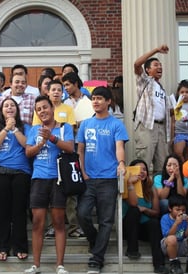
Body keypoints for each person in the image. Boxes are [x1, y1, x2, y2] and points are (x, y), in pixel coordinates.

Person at [76, 86, 129, 274]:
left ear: (108, 102)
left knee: (106, 220)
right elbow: (80, 150)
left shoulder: (116, 124)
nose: (96, 101)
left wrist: (121, 163)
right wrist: (82, 171)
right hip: (89, 178)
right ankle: (95, 240)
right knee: (82, 214)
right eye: (94, 98)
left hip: (109, 179)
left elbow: (119, 146)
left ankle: (97, 259)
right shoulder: (85, 124)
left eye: (100, 98)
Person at [24, 95, 74, 274]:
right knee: (38, 222)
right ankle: (35, 265)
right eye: (39, 109)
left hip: (59, 178)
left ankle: (60, 265)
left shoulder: (64, 128)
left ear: (52, 108)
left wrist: (51, 138)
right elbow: (28, 152)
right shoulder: (34, 129)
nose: (42, 111)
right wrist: (41, 143)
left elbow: (70, 148)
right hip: (39, 178)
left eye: (45, 107)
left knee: (59, 222)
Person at [0, 97, 31, 262]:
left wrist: (14, 130)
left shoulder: (25, 127)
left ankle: (20, 247)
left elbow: (27, 145)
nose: (9, 108)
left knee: (19, 211)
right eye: (6, 106)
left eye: (12, 105)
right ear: (1, 110)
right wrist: (6, 129)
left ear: (17, 110)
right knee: (3, 211)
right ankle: (3, 247)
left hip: (21, 172)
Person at [122, 159, 167, 274]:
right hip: (129, 228)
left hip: (144, 229)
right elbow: (133, 204)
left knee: (154, 222)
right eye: (138, 169)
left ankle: (159, 264)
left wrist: (145, 209)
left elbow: (156, 212)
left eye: (144, 169)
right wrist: (130, 184)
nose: (142, 172)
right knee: (134, 210)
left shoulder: (151, 188)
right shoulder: (125, 186)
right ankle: (132, 250)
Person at [133, 44, 171, 174]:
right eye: (156, 65)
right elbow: (137, 64)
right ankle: (140, 194)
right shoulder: (145, 81)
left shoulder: (162, 88)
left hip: (161, 128)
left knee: (162, 166)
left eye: (160, 65)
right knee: (143, 164)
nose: (159, 67)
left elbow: (166, 111)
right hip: (147, 126)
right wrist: (156, 50)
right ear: (148, 70)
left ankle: (159, 193)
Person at [160, 195, 188, 274]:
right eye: (177, 210)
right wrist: (176, 223)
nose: (181, 212)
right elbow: (167, 235)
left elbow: (187, 235)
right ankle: (174, 263)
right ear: (170, 209)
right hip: (169, 246)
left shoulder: (185, 218)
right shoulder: (165, 218)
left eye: (183, 210)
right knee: (172, 239)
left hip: (182, 244)